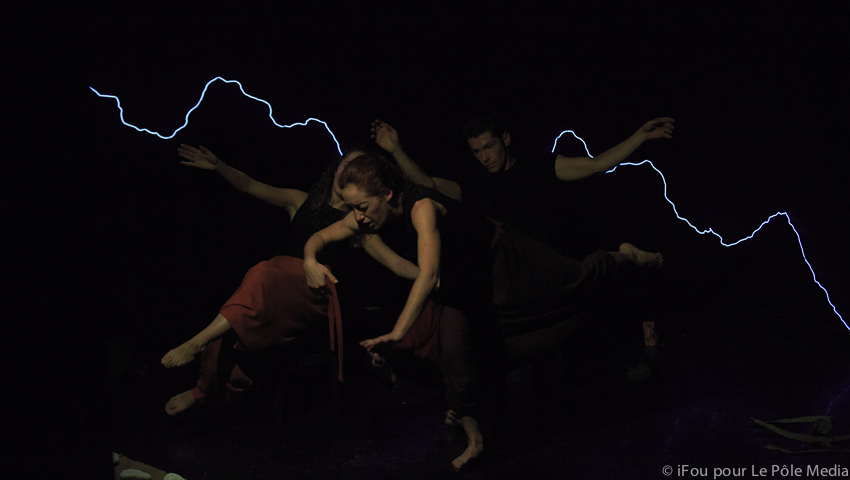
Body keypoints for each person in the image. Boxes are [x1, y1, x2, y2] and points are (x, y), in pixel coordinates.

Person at [303, 152, 663, 471]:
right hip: (465, 285)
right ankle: (475, 440)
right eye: (352, 208)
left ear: (387, 194)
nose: (357, 217)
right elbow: (319, 238)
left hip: (503, 260)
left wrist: (397, 332)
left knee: (577, 280)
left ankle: (627, 257)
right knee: (457, 354)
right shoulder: (364, 217)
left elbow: (428, 275)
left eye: (362, 207)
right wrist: (309, 260)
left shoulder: (422, 207)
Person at [371, 114, 674, 347]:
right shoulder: (473, 183)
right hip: (509, 274)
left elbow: (595, 165)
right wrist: (396, 150)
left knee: (590, 271)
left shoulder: (537, 166)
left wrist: (639, 137)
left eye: (489, 147)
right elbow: (427, 184)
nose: (484, 156)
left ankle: (628, 257)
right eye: (476, 151)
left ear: (505, 139)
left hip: (546, 263)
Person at [160, 145, 421, 415]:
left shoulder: (359, 223)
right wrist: (219, 166)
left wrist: (431, 276)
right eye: (346, 165)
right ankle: (202, 389)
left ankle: (197, 342)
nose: (349, 172)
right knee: (231, 327)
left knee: (262, 274)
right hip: (272, 287)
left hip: (311, 293)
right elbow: (251, 186)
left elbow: (396, 263)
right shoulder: (300, 200)